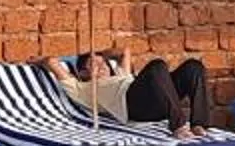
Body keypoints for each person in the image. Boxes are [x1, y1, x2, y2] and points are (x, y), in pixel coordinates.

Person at [47, 50, 213, 138]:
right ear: (83, 73)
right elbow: (52, 63)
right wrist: (42, 61)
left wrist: (101, 53)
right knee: (157, 66)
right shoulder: (84, 89)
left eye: (103, 62)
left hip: (154, 97)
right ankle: (178, 126)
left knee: (193, 66)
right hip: (135, 106)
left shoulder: (120, 74)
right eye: (94, 64)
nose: (102, 66)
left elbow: (123, 51)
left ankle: (199, 124)